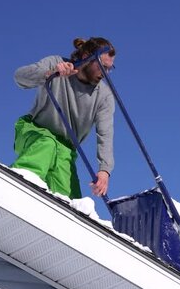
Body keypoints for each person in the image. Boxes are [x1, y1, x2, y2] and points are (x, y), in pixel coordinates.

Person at [11, 37, 116, 199]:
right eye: (102, 66)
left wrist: (105, 170)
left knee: (70, 197)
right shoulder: (56, 62)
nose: (105, 73)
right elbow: (19, 77)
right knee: (47, 145)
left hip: (66, 148)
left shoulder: (104, 96)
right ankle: (16, 187)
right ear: (86, 56)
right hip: (34, 131)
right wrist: (49, 74)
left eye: (110, 68)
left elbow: (105, 134)